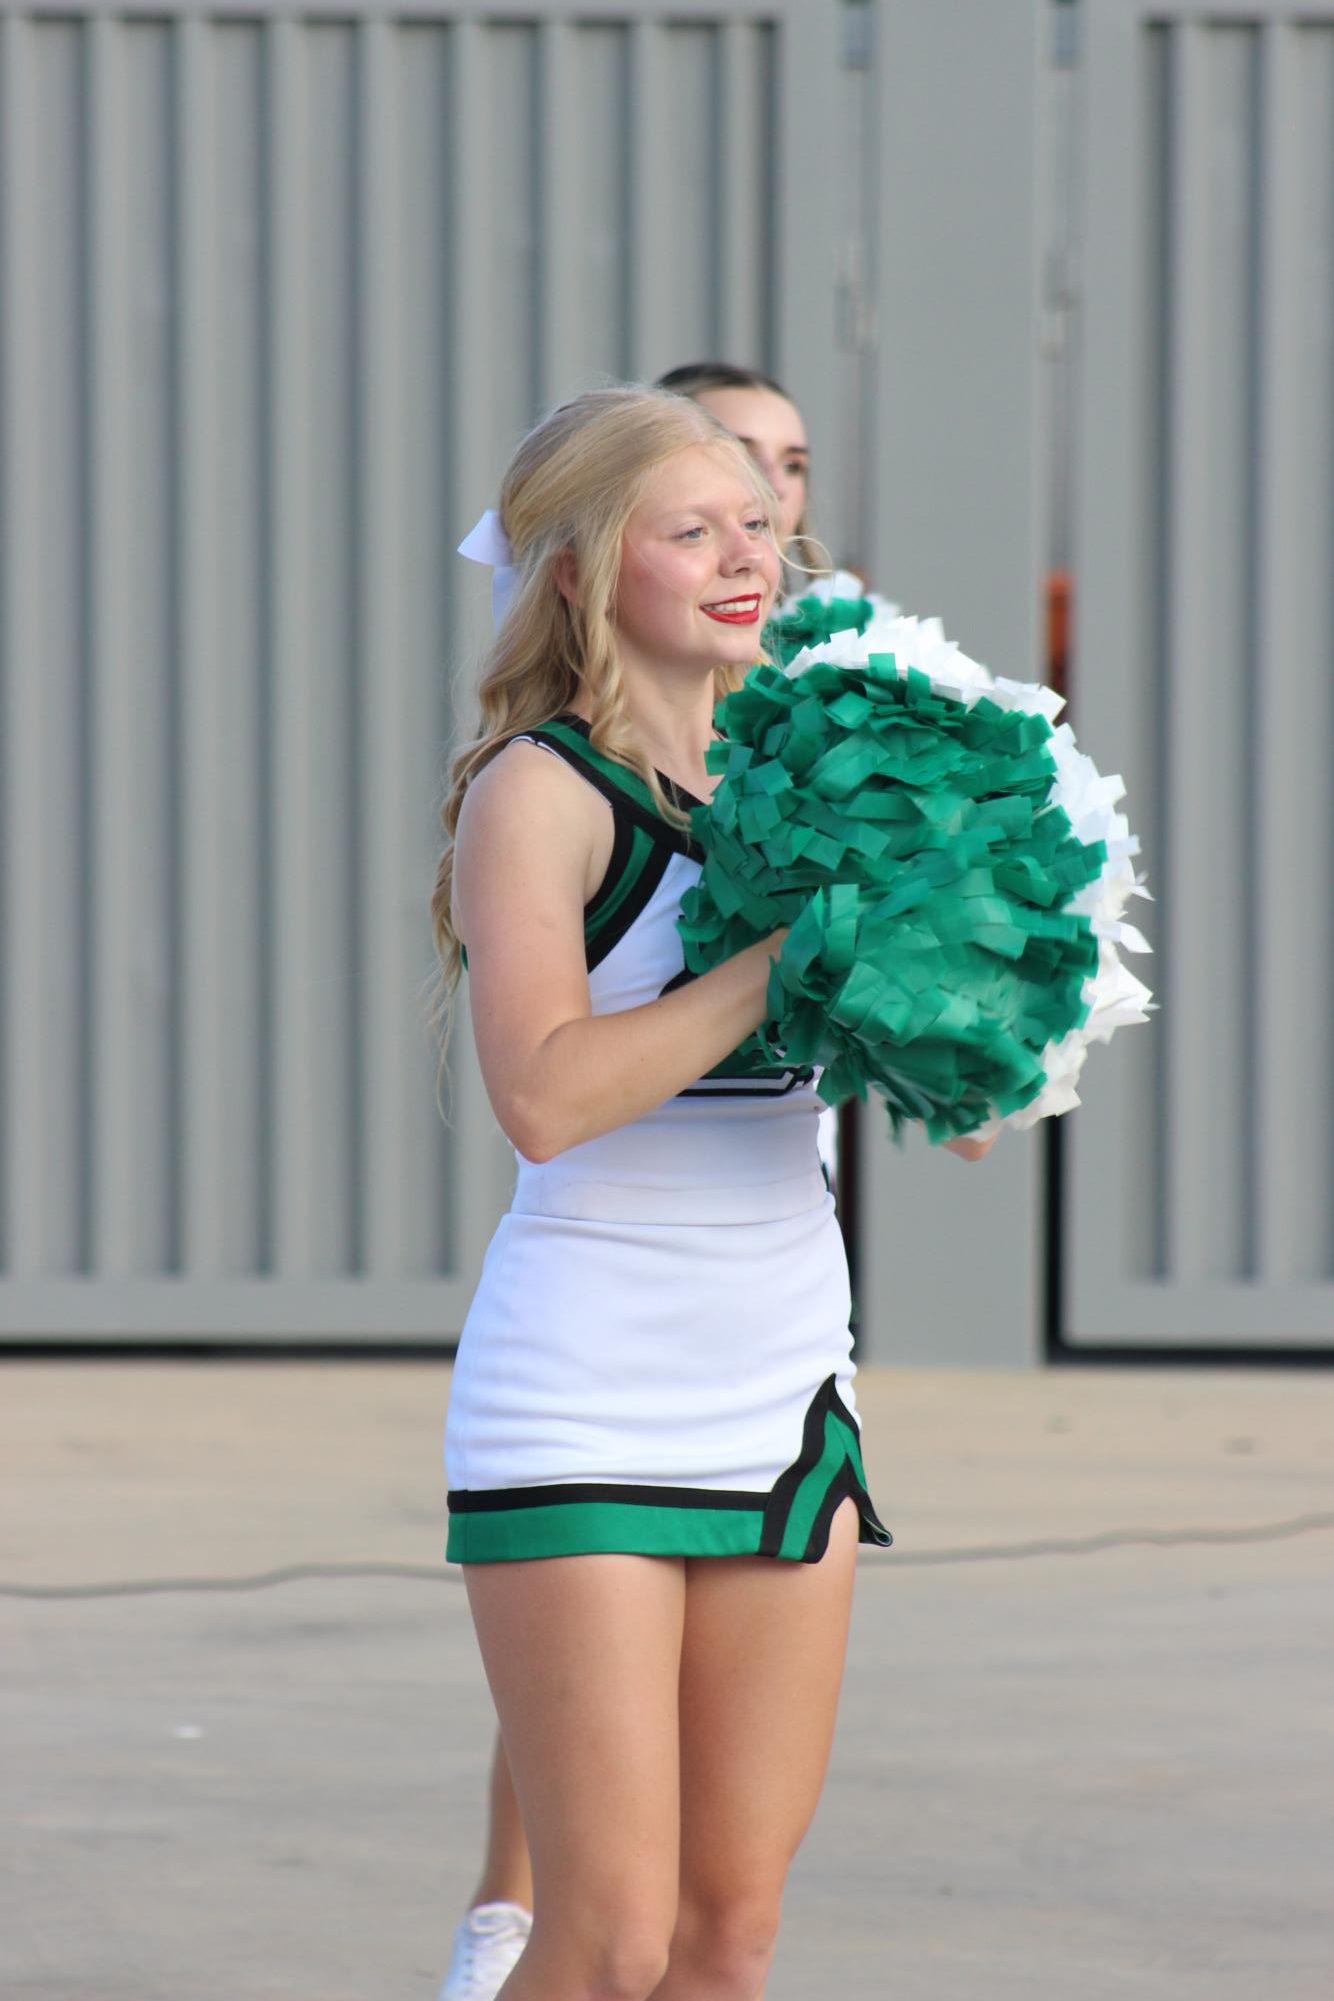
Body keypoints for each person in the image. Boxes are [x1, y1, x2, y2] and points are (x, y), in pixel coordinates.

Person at [433, 385, 988, 2001]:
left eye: (756, 522)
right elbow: (543, 1095)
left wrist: (976, 990)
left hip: (780, 1379)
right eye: (691, 532)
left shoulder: (822, 763)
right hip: (588, 1384)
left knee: (725, 1936)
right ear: (581, 572)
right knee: (603, 1943)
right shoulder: (535, 792)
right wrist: (780, 955)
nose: (745, 559)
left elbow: (958, 1112)